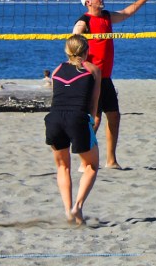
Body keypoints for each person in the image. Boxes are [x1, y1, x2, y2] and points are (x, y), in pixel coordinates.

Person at [73, 0, 156, 169]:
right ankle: (84, 161)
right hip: (91, 78)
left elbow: (127, 12)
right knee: (94, 120)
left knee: (114, 116)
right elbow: (73, 46)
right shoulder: (83, 22)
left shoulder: (107, 16)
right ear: (88, 2)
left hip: (105, 78)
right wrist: (78, 67)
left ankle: (111, 161)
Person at [44, 34, 101, 225]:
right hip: (77, 118)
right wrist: (91, 122)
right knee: (91, 166)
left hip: (54, 119)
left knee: (62, 166)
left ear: (67, 51)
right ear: (86, 51)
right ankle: (78, 206)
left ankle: (68, 211)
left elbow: (57, 96)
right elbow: (94, 102)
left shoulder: (57, 69)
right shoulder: (93, 70)